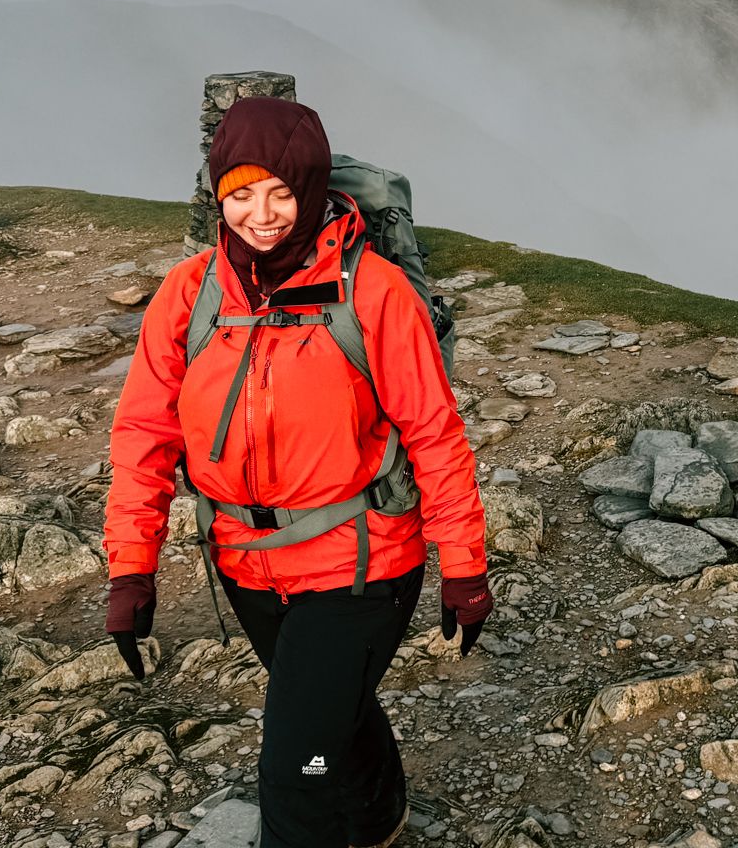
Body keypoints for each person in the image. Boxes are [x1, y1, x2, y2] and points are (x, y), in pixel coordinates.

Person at [102, 96, 492, 848]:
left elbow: (435, 434)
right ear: (218, 196)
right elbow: (144, 434)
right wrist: (130, 569)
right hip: (247, 566)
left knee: (292, 773)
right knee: (327, 709)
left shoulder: (374, 292)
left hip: (362, 565)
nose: (263, 214)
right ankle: (381, 819)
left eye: (282, 192)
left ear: (311, 188)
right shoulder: (189, 295)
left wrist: (464, 568)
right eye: (240, 193)